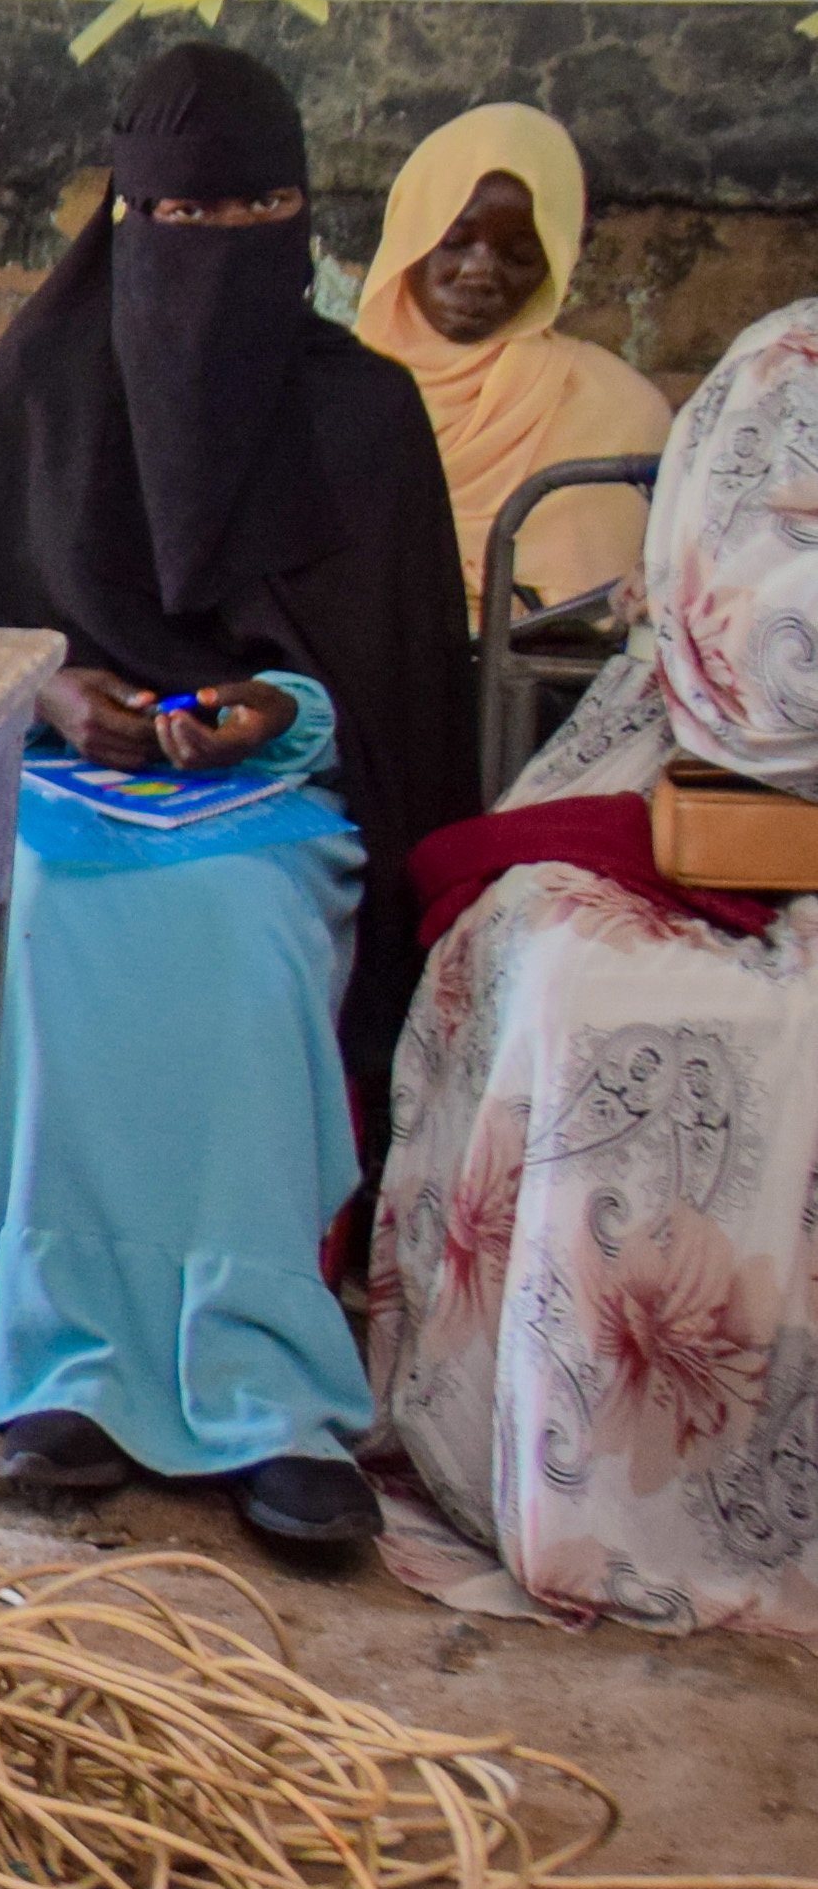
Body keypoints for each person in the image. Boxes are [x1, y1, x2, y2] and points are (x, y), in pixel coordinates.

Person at [0, 43, 478, 1562]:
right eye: (179, 222)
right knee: (40, 912)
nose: (211, 257)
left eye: (253, 214)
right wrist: (53, 691)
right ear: (123, 220)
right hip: (55, 785)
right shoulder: (38, 394)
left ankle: (258, 1377)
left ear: (305, 223)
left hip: (272, 802)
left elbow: (391, 697)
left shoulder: (361, 412)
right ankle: (47, 1353)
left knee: (244, 927)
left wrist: (278, 704)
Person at [367, 305, 818, 1637]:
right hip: (739, 780)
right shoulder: (786, 367)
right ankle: (584, 1487)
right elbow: (750, 661)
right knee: (581, 977)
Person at [358, 102, 673, 619]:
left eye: (521, 254)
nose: (480, 272)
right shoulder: (326, 394)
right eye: (454, 241)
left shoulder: (619, 412)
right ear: (407, 236)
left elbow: (606, 624)